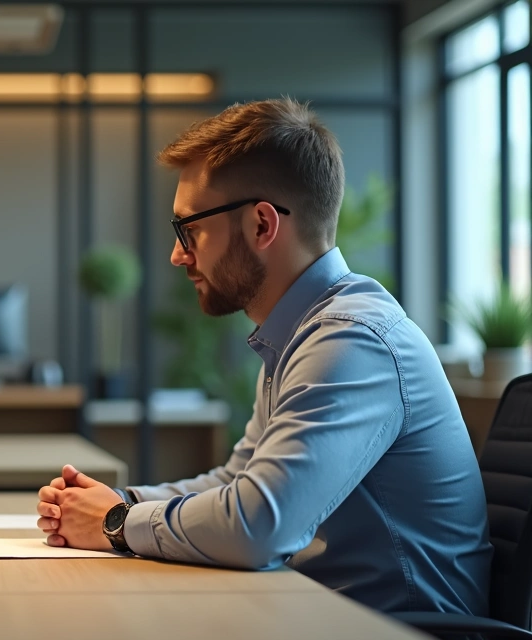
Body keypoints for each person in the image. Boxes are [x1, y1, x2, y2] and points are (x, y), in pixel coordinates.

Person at [36, 98, 491, 616]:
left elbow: (259, 526)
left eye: (190, 230)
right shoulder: (299, 333)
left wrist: (116, 522)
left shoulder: (350, 341)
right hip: (323, 614)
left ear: (261, 225)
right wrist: (117, 502)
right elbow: (237, 483)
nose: (177, 254)